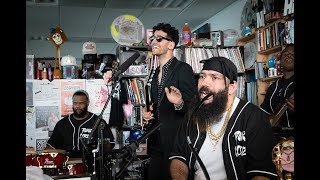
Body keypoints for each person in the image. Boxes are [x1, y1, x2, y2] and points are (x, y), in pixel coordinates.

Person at [169, 57, 278, 180]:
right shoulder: (194, 113)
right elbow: (178, 157)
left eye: (215, 77)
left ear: (232, 87)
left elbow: (262, 172)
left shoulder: (253, 117)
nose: (205, 83)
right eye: (202, 76)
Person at [142, 22, 197, 180]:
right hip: (156, 142)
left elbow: (192, 107)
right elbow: (156, 105)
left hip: (176, 143)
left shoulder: (183, 69)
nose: (153, 42)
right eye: (153, 38)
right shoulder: (155, 73)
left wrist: (179, 102)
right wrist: (148, 115)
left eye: (159, 38)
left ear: (171, 44)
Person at [45, 89, 115, 176]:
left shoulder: (98, 122)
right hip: (66, 168)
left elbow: (109, 145)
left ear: (87, 103)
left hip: (92, 166)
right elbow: (50, 147)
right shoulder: (62, 124)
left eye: (81, 103)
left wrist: (98, 149)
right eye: (75, 103)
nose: (78, 106)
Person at [260, 44, 294, 140]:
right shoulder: (273, 87)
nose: (289, 55)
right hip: (273, 140)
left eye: (293, 54)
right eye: (286, 54)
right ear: (280, 59)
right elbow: (263, 114)